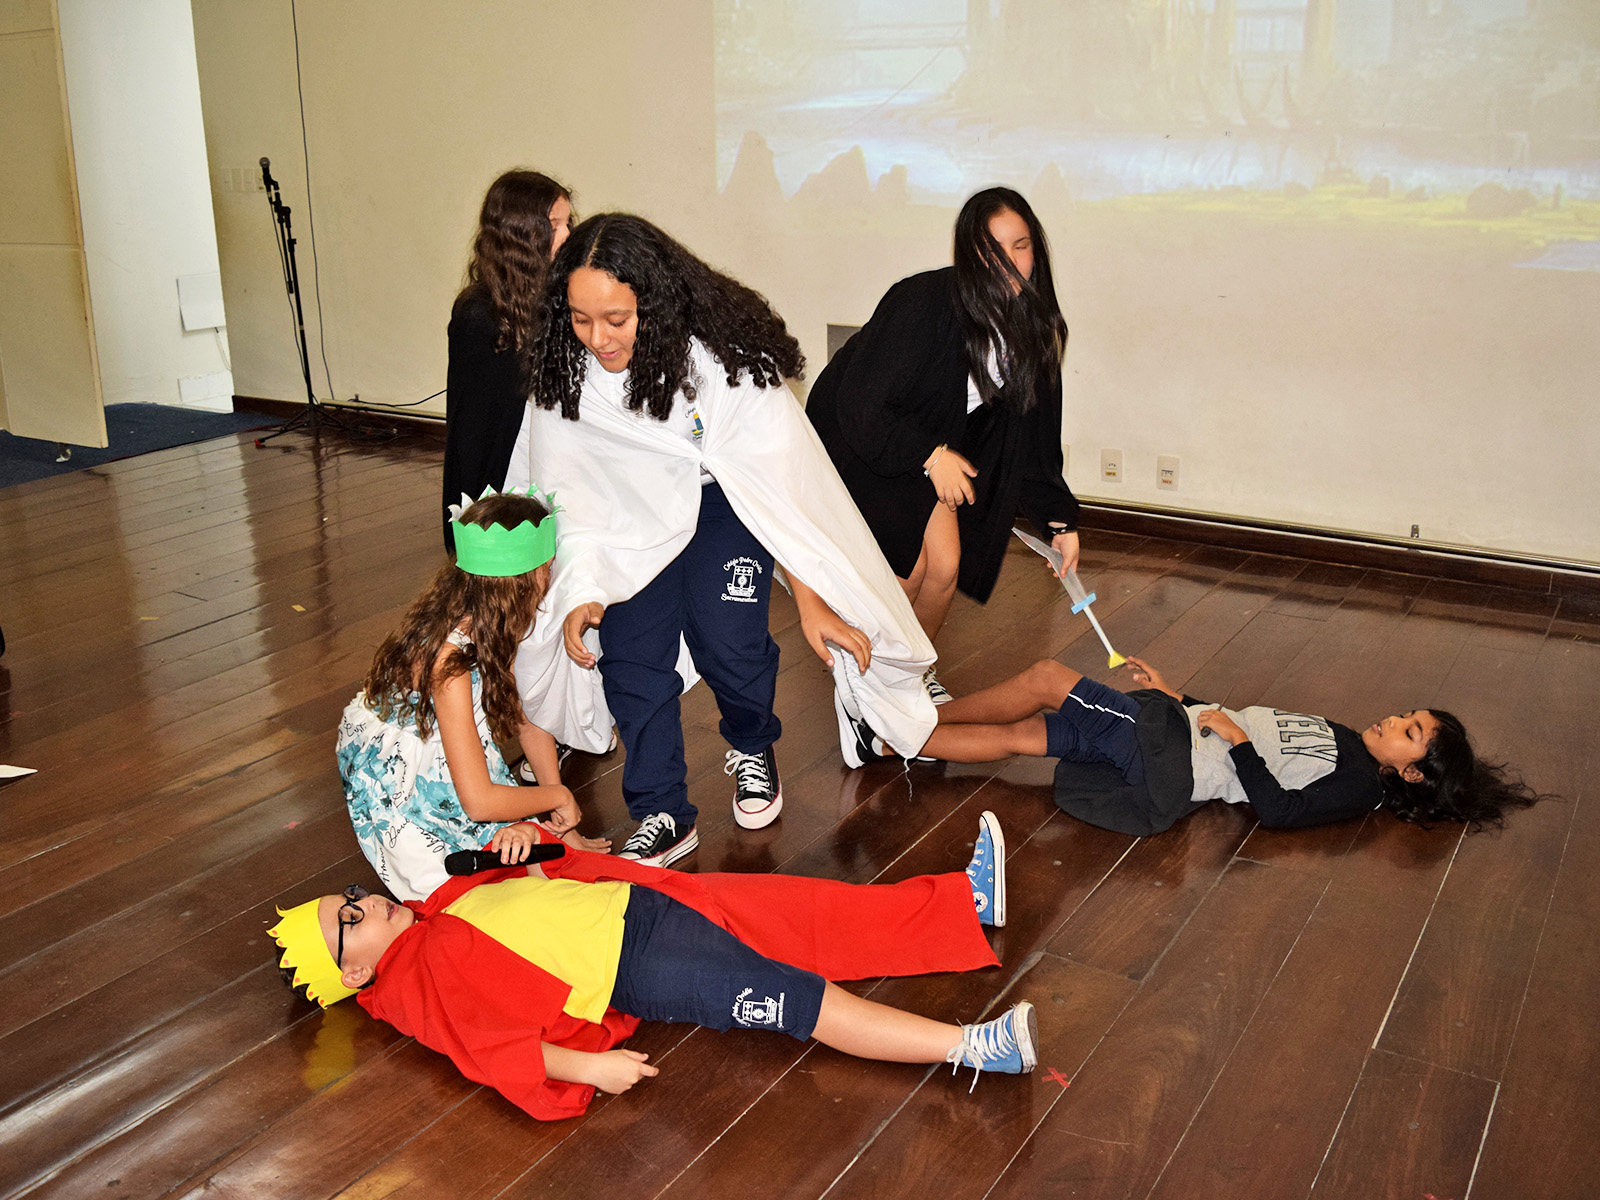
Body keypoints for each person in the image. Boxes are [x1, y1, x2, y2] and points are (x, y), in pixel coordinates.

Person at [501, 214, 936, 866]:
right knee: (631, 658)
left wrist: (812, 602)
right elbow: (575, 499)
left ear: (653, 301)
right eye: (580, 319)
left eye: (616, 319)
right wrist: (584, 590)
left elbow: (780, 488)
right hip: (629, 526)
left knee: (729, 640)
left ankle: (753, 745)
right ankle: (662, 812)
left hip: (723, 505)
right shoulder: (567, 373)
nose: (598, 338)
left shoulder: (721, 359)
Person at [269, 812, 1037, 1121]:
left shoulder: (438, 905)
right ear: (354, 975)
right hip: (640, 961)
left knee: (801, 911)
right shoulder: (412, 986)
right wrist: (586, 1067)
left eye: (349, 899)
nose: (361, 904)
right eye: (346, 925)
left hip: (642, 902)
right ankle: (972, 1049)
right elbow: (488, 1048)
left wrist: (523, 848)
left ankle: (963, 904)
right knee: (799, 1000)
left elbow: (541, 885)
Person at [805, 187, 1080, 702]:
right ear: (970, 254)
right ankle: (865, 689)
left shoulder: (1034, 328)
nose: (1009, 263)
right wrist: (930, 457)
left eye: (1020, 246)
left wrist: (1059, 522)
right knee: (907, 568)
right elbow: (862, 403)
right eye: (992, 250)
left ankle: (909, 675)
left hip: (929, 446)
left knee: (947, 566)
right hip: (859, 433)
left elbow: (1037, 433)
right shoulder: (923, 301)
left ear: (1036, 251)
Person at [837, 656, 1545, 836]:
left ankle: (909, 718)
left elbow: (1280, 811)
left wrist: (1234, 743)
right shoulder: (1342, 737)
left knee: (1048, 679)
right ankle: (897, 742)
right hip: (1172, 730)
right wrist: (1180, 695)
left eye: (1409, 732)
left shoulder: (1359, 787)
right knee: (1028, 735)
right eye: (1407, 713)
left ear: (1413, 775)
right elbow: (1237, 719)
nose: (1394, 719)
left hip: (1168, 756)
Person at [337, 489, 608, 903]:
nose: (551, 575)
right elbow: (479, 803)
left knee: (533, 853)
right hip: (401, 769)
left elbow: (525, 718)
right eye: (547, 566)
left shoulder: (492, 617)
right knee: (476, 887)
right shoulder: (449, 661)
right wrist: (559, 796)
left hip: (448, 742)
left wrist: (562, 825)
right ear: (525, 581)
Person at [441, 170, 574, 552]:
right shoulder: (479, 315)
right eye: (555, 225)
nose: (567, 235)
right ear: (522, 236)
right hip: (511, 465)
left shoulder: (561, 296)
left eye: (568, 223)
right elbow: (475, 433)